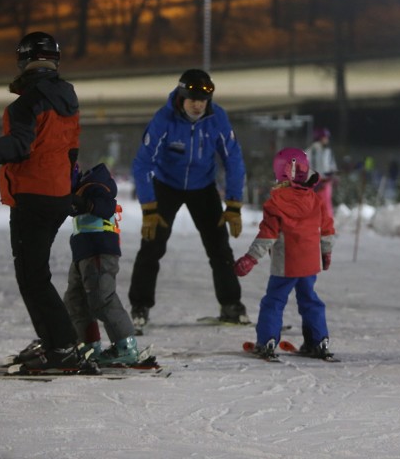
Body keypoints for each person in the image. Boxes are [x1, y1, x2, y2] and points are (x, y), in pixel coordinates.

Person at [0, 31, 95, 374]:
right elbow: (72, 149)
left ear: (23, 61)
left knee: (32, 277)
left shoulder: (24, 105)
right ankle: (57, 339)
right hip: (56, 194)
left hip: (33, 195)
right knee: (36, 274)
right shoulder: (67, 99)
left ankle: (62, 345)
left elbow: (19, 146)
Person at [129, 68, 249, 333]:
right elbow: (142, 163)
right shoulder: (164, 119)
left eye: (203, 100)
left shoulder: (217, 118)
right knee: (152, 246)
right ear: (181, 98)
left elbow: (233, 159)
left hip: (202, 187)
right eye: (192, 99)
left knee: (219, 247)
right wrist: (149, 207)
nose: (198, 105)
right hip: (166, 185)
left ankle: (231, 304)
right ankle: (139, 305)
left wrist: (234, 203)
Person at [233, 148, 335, 359]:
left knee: (274, 301)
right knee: (310, 300)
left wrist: (251, 258)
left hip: (286, 265)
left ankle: (267, 340)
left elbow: (267, 235)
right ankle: (319, 341)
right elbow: (326, 229)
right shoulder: (315, 200)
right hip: (309, 264)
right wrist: (326, 253)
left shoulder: (275, 202)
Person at [63, 162, 153, 365]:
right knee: (75, 299)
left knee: (102, 298)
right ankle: (88, 344)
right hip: (83, 252)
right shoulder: (81, 189)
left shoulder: (97, 185)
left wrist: (86, 204)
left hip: (99, 250)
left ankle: (125, 346)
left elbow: (106, 206)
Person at [305, 127, 338, 218]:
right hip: (315, 183)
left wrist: (334, 176)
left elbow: (331, 166)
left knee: (326, 204)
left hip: (325, 182)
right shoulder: (312, 151)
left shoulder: (328, 151)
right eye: (325, 137)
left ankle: (326, 226)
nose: (327, 139)